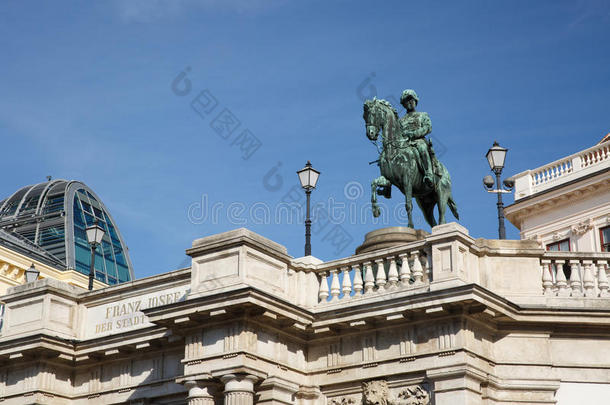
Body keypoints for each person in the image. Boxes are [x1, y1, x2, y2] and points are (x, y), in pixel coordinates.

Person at [398, 89, 434, 188]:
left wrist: (414, 134)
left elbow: (428, 127)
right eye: (407, 100)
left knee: (422, 148)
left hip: (418, 141)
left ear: (415, 101)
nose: (409, 102)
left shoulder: (422, 115)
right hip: (404, 144)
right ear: (404, 104)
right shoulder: (400, 121)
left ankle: (428, 174)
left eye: (411, 99)